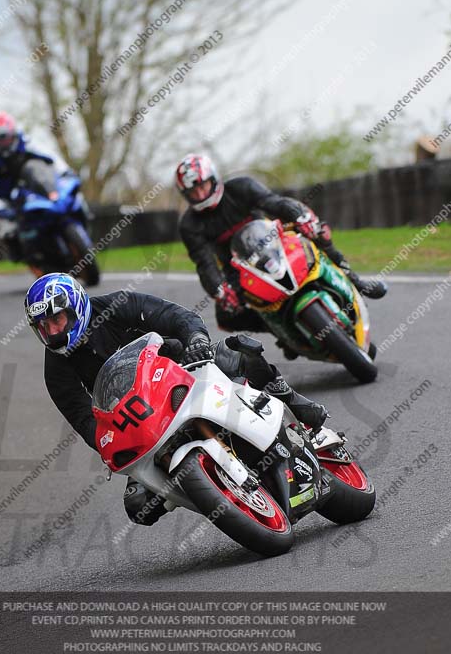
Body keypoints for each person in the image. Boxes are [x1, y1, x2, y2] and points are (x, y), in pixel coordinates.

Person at [24, 273, 328, 526]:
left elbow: (176, 316)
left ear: (76, 307)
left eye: (57, 320)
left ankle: (293, 401)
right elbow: (83, 420)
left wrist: (196, 341)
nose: (53, 332)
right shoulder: (56, 370)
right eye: (44, 328)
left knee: (242, 352)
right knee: (139, 506)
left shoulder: (118, 304)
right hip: (143, 418)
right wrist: (108, 443)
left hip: (185, 367)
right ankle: (209, 489)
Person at [175, 153, 387, 336]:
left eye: (202, 186)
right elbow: (204, 263)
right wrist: (219, 290)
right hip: (238, 268)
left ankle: (355, 281)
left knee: (319, 234)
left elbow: (274, 203)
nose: (201, 195)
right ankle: (282, 330)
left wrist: (301, 217)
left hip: (274, 241)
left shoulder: (241, 187)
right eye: (193, 192)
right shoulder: (189, 224)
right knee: (226, 318)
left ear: (213, 178)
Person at [0, 112, 56, 261]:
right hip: (0, 193)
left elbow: (49, 156)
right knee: (7, 229)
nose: (5, 142)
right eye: (0, 138)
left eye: (7, 137)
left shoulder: (24, 139)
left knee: (37, 169)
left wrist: (64, 172)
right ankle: (20, 253)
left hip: (26, 184)